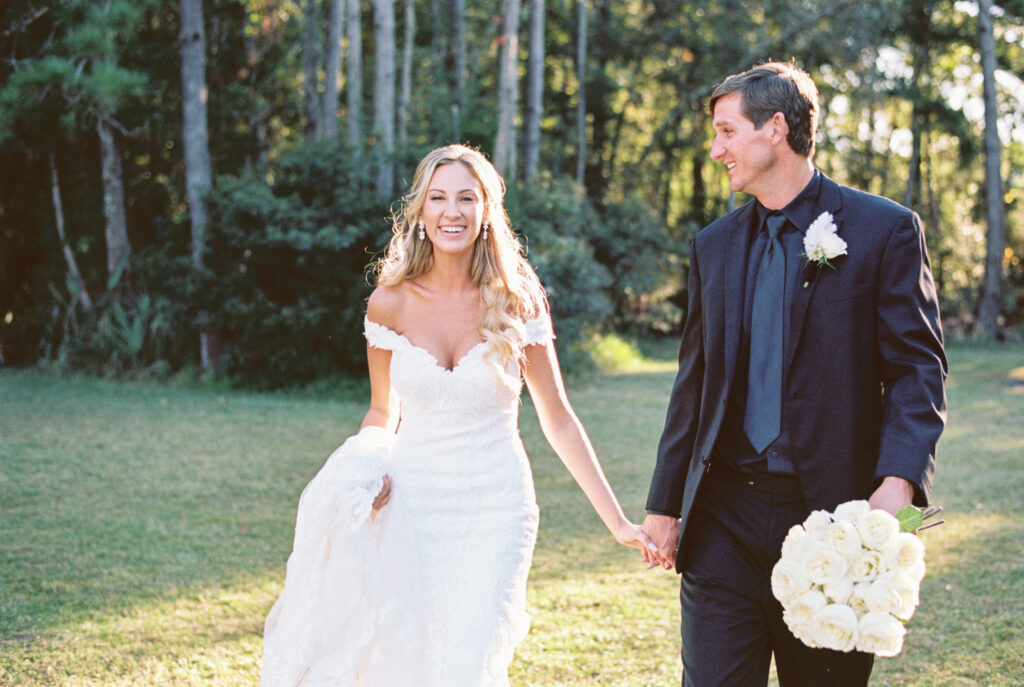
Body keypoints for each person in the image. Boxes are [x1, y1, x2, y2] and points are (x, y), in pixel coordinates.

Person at [261, 143, 653, 686]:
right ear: (420, 212)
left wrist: (618, 523)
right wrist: (367, 471)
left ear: (487, 210)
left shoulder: (519, 301)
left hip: (496, 506)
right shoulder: (389, 303)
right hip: (411, 506)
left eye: (467, 198)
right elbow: (381, 410)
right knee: (408, 660)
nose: (453, 211)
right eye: (439, 198)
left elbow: (557, 417)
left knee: (469, 660)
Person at [640, 62, 947, 687]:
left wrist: (899, 487)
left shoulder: (884, 230)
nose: (716, 148)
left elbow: (919, 369)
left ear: (775, 127)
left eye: (727, 131)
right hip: (721, 520)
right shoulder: (713, 245)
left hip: (832, 523)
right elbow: (693, 385)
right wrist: (665, 505)